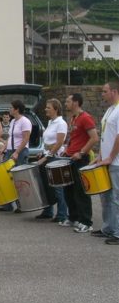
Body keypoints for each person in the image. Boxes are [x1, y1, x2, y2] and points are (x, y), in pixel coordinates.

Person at [62, 93, 98, 233]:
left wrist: (81, 152)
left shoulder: (85, 118)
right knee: (69, 190)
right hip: (70, 158)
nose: (66, 104)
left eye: (68, 101)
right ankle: (74, 218)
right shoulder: (73, 118)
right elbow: (74, 138)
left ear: (76, 103)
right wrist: (67, 149)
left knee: (81, 191)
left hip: (80, 159)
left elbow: (94, 138)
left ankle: (86, 222)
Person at [34, 99, 68, 221]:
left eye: (48, 107)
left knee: (58, 187)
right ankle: (48, 211)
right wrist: (42, 152)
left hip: (55, 157)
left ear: (56, 109)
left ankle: (62, 214)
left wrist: (47, 157)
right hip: (47, 156)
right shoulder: (50, 122)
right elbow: (47, 141)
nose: (46, 109)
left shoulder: (61, 123)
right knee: (46, 186)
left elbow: (59, 143)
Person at [0, 99, 32, 212]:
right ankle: (9, 204)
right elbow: (10, 137)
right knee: (7, 177)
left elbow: (26, 138)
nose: (9, 109)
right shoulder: (13, 121)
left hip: (20, 152)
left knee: (19, 178)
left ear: (17, 109)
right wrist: (4, 148)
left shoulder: (25, 121)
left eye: (11, 107)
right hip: (10, 151)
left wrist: (17, 152)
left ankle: (22, 205)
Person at [97, 81, 119, 245]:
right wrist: (100, 155)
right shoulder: (110, 110)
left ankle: (117, 232)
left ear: (114, 91)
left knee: (116, 198)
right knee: (106, 197)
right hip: (106, 160)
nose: (102, 94)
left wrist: (111, 156)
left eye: (104, 91)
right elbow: (105, 135)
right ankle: (108, 228)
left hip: (116, 162)